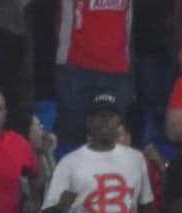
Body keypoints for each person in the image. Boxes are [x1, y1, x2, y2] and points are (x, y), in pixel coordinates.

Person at [41, 93, 158, 213]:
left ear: (119, 122)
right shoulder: (70, 163)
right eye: (99, 116)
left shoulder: (136, 159)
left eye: (110, 116)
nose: (105, 121)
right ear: (88, 122)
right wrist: (61, 207)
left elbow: (145, 212)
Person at [53, 0, 135, 149]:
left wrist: (127, 60)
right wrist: (63, 62)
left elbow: (128, 18)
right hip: (77, 67)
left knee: (115, 138)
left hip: (117, 69)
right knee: (72, 135)